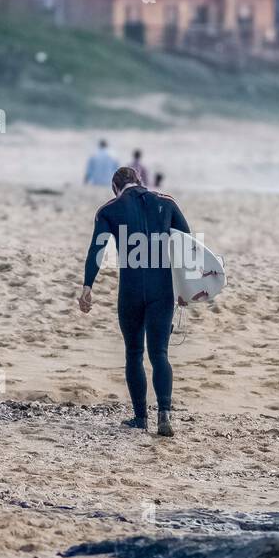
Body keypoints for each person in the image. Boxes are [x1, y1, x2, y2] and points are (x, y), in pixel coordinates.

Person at [78, 166, 189, 437]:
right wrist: (186, 287)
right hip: (162, 288)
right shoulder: (166, 202)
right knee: (159, 353)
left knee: (134, 353)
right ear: (140, 181)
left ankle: (140, 418)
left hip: (130, 290)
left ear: (115, 188)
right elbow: (187, 242)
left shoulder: (109, 210)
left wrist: (87, 286)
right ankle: (164, 413)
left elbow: (97, 249)